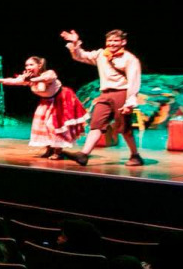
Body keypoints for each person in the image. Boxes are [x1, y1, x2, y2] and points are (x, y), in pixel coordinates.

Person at [60, 28, 144, 166]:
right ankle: (84, 155)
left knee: (124, 128)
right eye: (109, 41)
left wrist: (130, 102)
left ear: (123, 42)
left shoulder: (130, 59)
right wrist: (75, 43)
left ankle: (135, 155)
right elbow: (81, 56)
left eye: (116, 41)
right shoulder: (101, 54)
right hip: (105, 94)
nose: (112, 43)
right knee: (96, 124)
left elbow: (134, 81)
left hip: (121, 93)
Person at [0, 56, 88, 160]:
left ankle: (58, 152)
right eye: (27, 65)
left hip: (61, 100)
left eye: (31, 64)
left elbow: (47, 79)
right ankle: (49, 149)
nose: (28, 67)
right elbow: (14, 81)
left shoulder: (49, 73)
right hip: (46, 102)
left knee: (54, 126)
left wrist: (31, 79)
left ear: (39, 66)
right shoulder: (28, 78)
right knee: (42, 126)